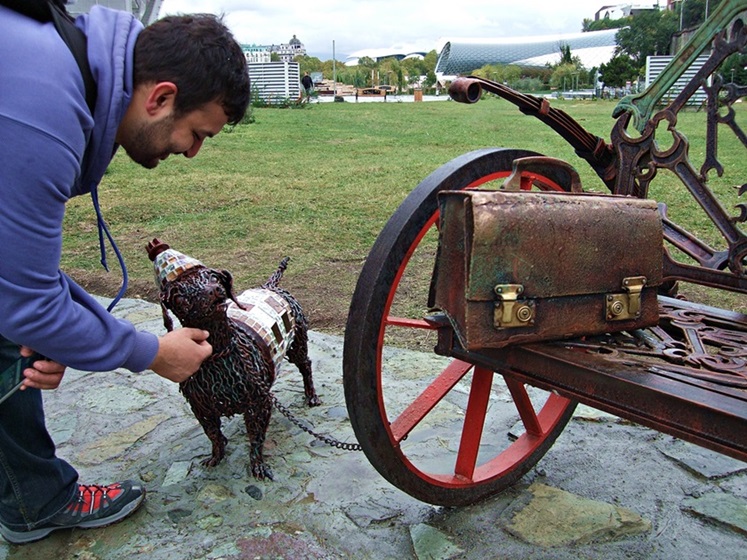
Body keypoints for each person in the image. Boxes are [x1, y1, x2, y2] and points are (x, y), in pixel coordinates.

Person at [0, 3, 250, 544]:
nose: (193, 153)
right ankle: (36, 501)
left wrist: (58, 331)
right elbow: (28, 301)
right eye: (196, 132)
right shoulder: (44, 108)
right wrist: (153, 353)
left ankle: (32, 499)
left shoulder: (64, 65)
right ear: (160, 97)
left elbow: (16, 271)